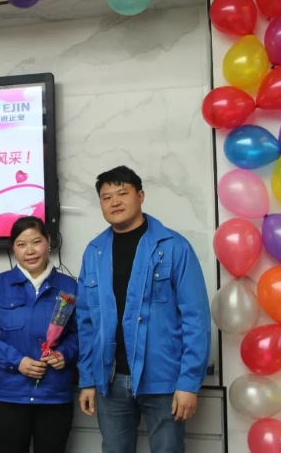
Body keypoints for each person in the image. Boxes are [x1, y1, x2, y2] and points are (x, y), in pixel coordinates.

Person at [76, 165, 211, 453]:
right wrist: (87, 379)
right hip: (110, 380)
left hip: (164, 380)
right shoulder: (94, 252)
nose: (114, 202)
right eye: (106, 197)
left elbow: (196, 319)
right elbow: (86, 323)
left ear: (140, 196)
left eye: (122, 193)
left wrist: (188, 383)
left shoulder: (174, 246)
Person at [0, 216, 78, 453]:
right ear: (13, 248)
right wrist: (16, 361)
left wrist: (64, 353)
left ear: (48, 241)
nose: (30, 251)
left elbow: (81, 333)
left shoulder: (69, 287)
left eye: (36, 242)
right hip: (9, 395)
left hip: (54, 395)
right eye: (21, 244)